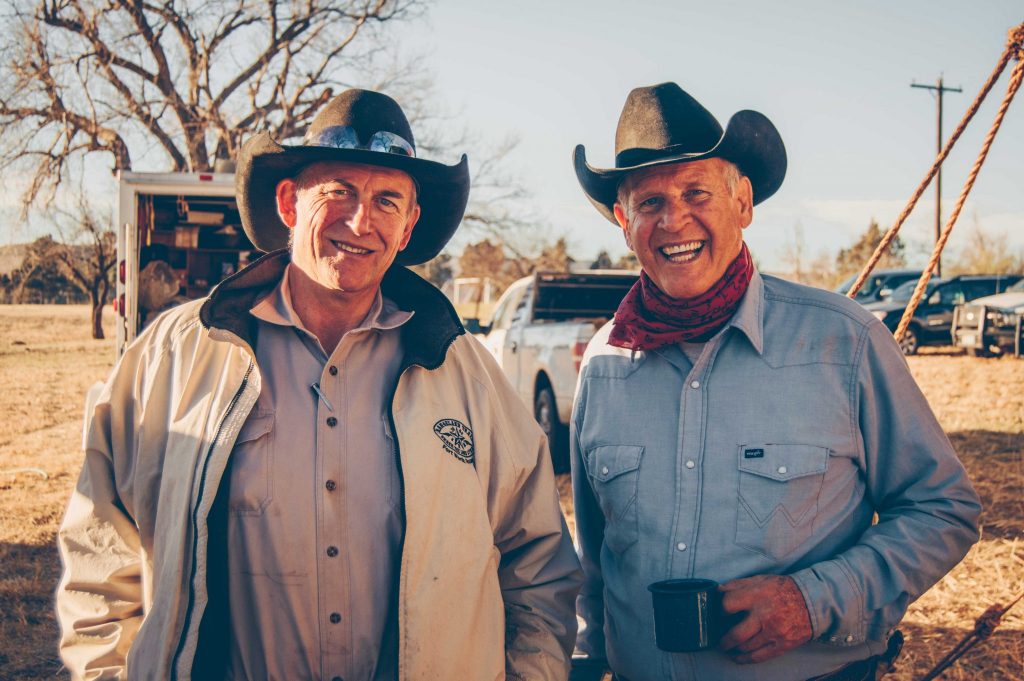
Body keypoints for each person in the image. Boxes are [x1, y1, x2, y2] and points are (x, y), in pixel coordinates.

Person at [56, 88, 582, 680]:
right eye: (339, 192)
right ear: (289, 202)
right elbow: (102, 553)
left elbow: (539, 565)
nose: (361, 221)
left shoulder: (467, 376)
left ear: (408, 226)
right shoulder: (174, 357)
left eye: (387, 200)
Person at [568, 82, 981, 681]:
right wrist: (587, 659)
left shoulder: (845, 342)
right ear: (622, 221)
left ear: (743, 203)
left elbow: (943, 509)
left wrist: (813, 602)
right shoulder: (605, 364)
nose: (673, 219)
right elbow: (597, 561)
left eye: (696, 192)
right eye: (649, 202)